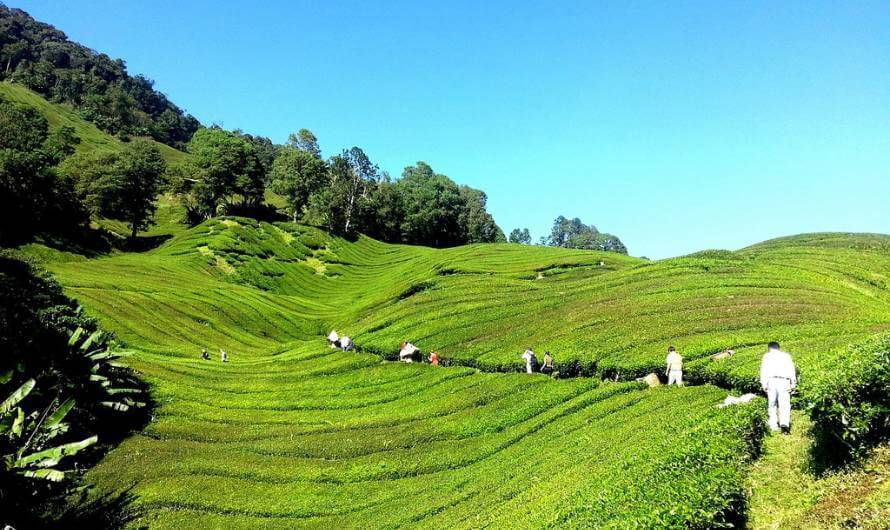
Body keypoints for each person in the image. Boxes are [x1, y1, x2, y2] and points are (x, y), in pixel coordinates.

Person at [760, 341, 797, 433]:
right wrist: (793, 383)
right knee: (784, 403)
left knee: (772, 404)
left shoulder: (766, 356)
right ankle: (784, 423)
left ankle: (773, 426)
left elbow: (763, 370)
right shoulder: (786, 356)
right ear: (778, 348)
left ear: (769, 348)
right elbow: (791, 369)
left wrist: (763, 384)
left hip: (771, 381)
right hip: (784, 380)